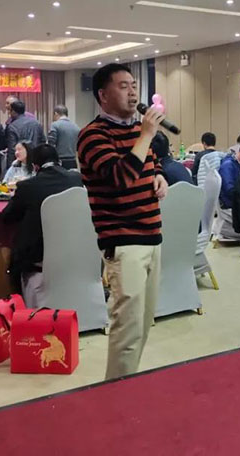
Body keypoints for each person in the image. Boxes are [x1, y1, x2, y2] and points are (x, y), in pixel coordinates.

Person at [77, 63, 167, 380]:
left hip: (152, 236)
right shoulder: (92, 135)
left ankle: (127, 387)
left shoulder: (137, 131)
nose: (132, 92)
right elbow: (120, 178)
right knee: (127, 331)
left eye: (134, 85)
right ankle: (115, 395)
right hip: (124, 242)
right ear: (103, 95)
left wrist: (158, 176)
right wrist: (146, 134)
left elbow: (149, 163)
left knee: (142, 325)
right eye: (123, 86)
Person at [3, 144, 82, 293]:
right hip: (75, 246)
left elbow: (7, 217)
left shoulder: (27, 186)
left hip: (38, 252)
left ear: (35, 166)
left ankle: (17, 296)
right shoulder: (76, 179)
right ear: (59, 161)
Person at [6, 100, 45, 164]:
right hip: (36, 160)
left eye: (10, 111)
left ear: (13, 111)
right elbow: (43, 142)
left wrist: (10, 166)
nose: (9, 113)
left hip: (21, 162)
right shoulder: (36, 123)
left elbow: (12, 149)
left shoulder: (12, 126)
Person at [48, 105, 80, 170]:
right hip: (73, 161)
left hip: (59, 161)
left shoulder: (55, 125)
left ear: (56, 113)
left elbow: (51, 145)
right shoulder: (76, 127)